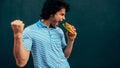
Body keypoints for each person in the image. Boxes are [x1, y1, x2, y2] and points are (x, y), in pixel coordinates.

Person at [11, 0, 77, 68]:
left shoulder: (59, 31)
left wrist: (70, 40)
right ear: (51, 13)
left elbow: (65, 56)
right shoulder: (30, 31)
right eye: (62, 14)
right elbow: (21, 63)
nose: (64, 18)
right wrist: (17, 35)